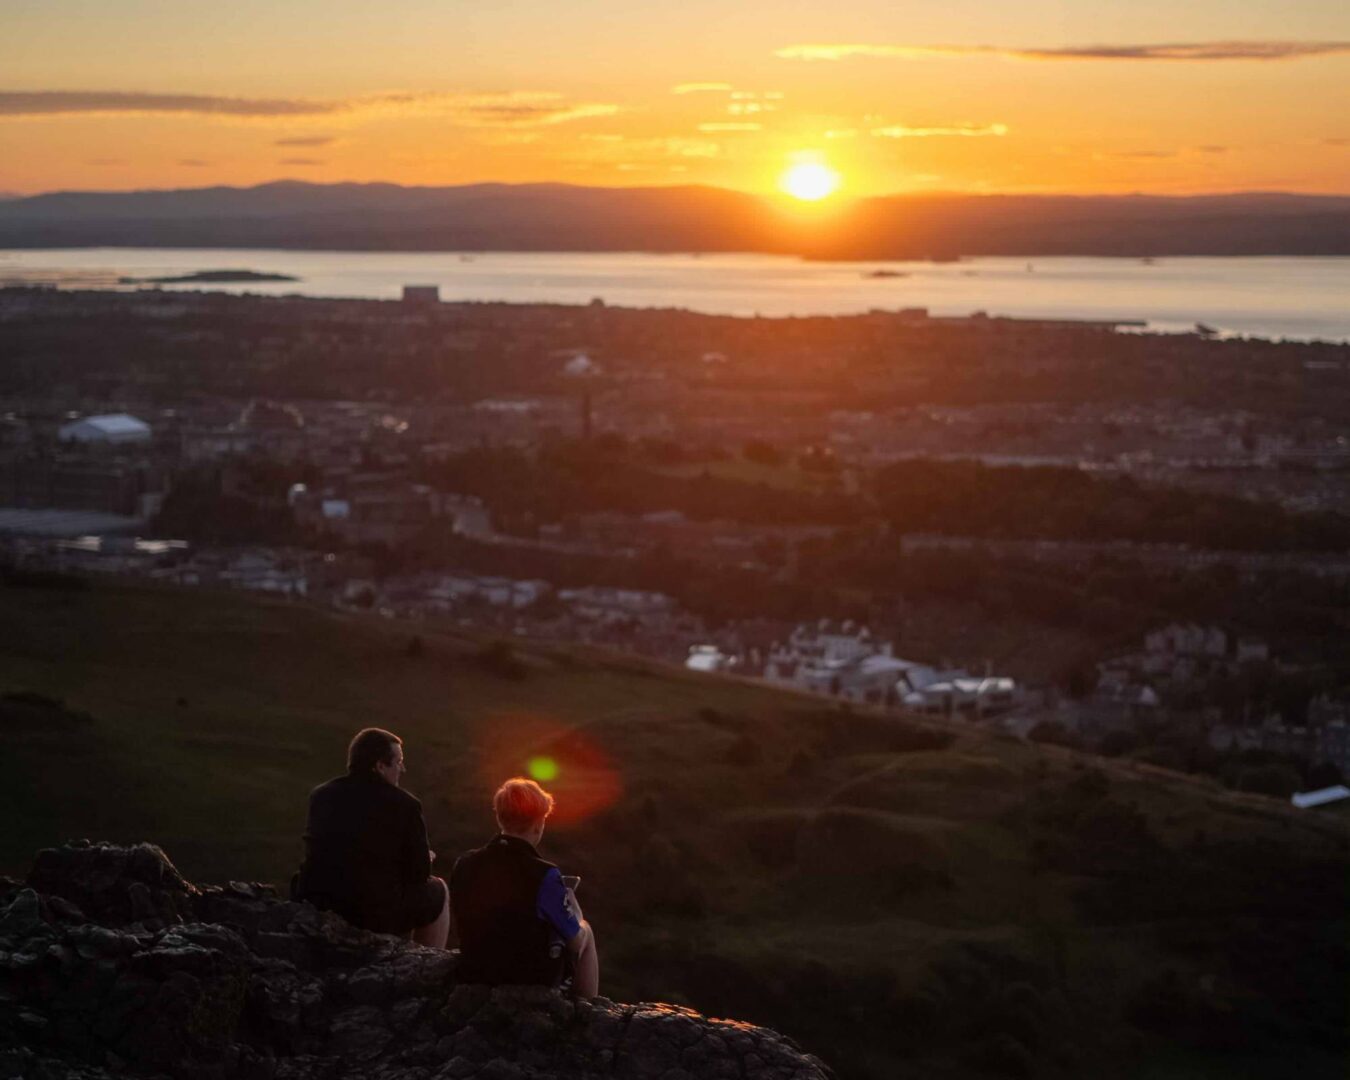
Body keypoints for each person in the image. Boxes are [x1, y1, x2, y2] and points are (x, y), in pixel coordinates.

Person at [293, 727, 449, 948]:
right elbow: (420, 873)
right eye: (398, 762)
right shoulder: (405, 805)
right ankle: (427, 964)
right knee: (438, 890)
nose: (402, 769)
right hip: (371, 910)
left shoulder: (321, 795)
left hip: (318, 900)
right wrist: (425, 858)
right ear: (379, 766)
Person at [449, 777, 599, 997]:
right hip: (526, 976)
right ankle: (587, 1014)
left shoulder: (465, 863)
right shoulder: (543, 874)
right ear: (538, 825)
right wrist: (574, 909)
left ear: (500, 819)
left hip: (474, 968)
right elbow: (574, 942)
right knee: (584, 930)